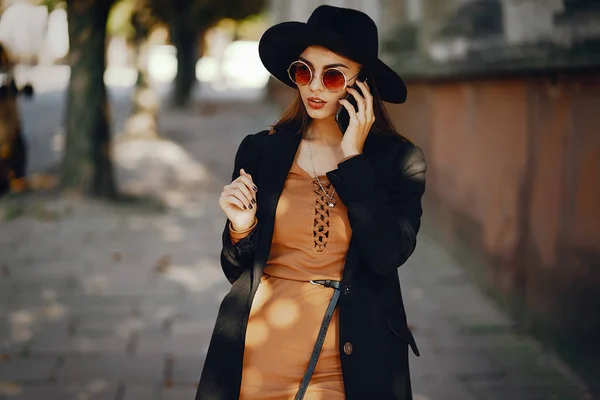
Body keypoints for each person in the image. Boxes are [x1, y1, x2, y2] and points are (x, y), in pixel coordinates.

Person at [195, 5, 426, 400]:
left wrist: (353, 159)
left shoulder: (399, 161)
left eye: (332, 75)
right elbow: (236, 270)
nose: (314, 87)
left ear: (362, 85)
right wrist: (241, 227)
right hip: (261, 347)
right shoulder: (260, 150)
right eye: (304, 71)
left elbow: (387, 253)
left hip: (352, 356)